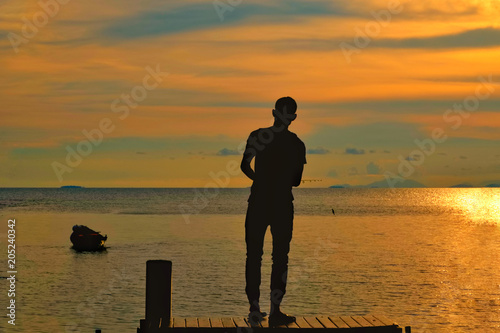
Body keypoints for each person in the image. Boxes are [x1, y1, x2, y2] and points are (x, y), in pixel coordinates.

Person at [240, 96, 306, 327]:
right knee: (280, 258)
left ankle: (255, 309)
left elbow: (244, 165)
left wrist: (261, 180)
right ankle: (275, 310)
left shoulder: (257, 135)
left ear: (273, 113)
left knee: (254, 257)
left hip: (259, 201)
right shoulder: (297, 144)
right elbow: (297, 181)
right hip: (281, 204)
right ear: (293, 118)